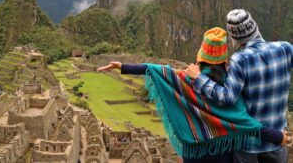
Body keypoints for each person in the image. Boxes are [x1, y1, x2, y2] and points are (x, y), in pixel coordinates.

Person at [98, 27, 286, 163]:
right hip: (223, 153)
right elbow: (246, 123)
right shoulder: (231, 86)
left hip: (195, 153)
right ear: (224, 58)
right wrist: (277, 137)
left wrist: (122, 66)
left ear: (201, 55)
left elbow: (155, 70)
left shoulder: (185, 79)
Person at [185, 10, 291, 163]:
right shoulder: (285, 48)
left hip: (248, 146)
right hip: (277, 143)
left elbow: (227, 98)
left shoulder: (240, 59)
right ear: (256, 28)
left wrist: (199, 78)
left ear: (234, 38)